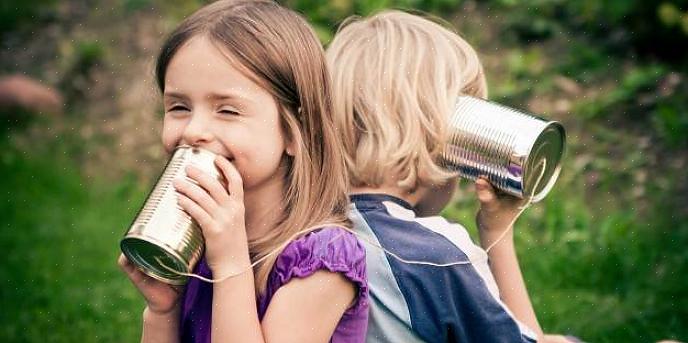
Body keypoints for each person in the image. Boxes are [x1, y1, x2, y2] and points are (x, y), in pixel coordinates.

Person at [117, 1, 368, 342]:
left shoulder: (322, 259)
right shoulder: (199, 244)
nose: (194, 130)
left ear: (297, 131)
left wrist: (230, 265)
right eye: (179, 107)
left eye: (227, 110)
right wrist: (163, 310)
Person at [327, 10, 574, 343]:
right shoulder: (435, 255)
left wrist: (495, 228)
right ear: (442, 134)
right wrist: (499, 240)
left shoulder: (314, 225)